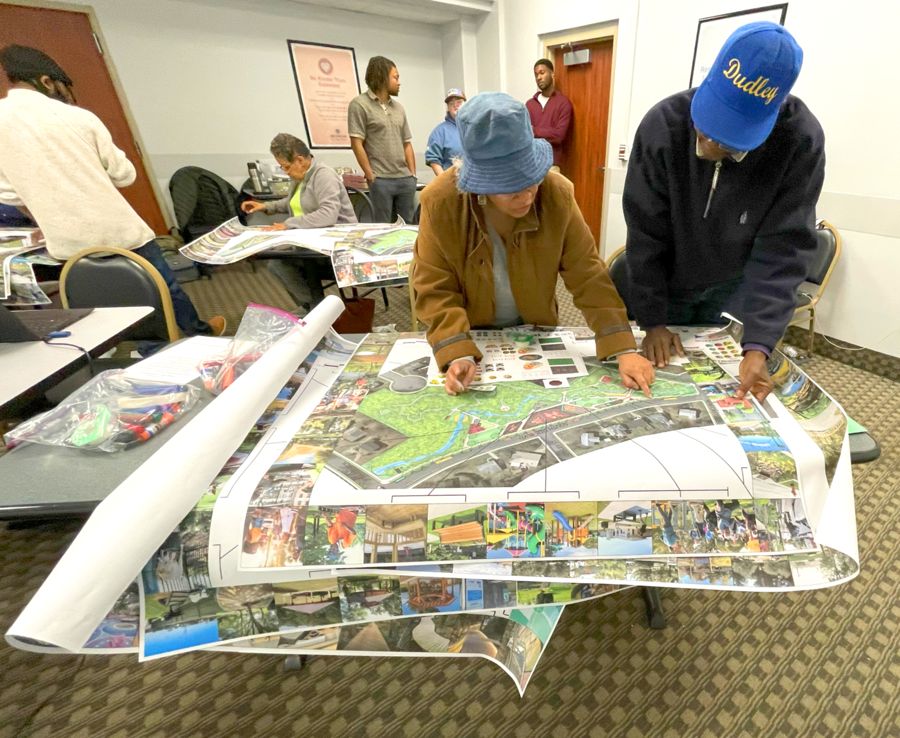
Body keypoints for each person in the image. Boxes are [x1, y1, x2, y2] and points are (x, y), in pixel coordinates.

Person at [622, 22, 824, 402]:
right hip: (669, 280)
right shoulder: (661, 126)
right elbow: (645, 234)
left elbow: (784, 249)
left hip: (733, 285)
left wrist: (759, 343)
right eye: (704, 128)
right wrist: (653, 320)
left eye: (728, 139)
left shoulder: (800, 140)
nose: (708, 143)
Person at [412, 92, 655, 398]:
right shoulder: (440, 202)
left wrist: (622, 346)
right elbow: (434, 286)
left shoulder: (557, 194)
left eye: (531, 179)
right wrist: (456, 349)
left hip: (537, 331)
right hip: (471, 334)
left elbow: (588, 274)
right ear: (479, 184)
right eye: (510, 188)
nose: (526, 195)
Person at [0, 45, 224, 337]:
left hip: (68, 243)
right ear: (45, 81)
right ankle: (199, 334)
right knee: (162, 287)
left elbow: (8, 195)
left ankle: (145, 349)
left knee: (107, 302)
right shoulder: (77, 117)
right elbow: (124, 174)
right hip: (120, 232)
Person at [241, 133, 356, 312]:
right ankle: (312, 306)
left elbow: (328, 214)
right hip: (311, 240)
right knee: (278, 261)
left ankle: (315, 308)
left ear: (300, 160)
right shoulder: (300, 178)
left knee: (283, 262)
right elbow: (291, 203)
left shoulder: (323, 175)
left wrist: (289, 224)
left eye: (286, 167)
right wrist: (265, 206)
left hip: (335, 248)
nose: (286, 172)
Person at [347, 56, 417, 223]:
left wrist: (412, 174)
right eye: (395, 77)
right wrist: (371, 175)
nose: (399, 82)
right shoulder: (359, 105)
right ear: (382, 77)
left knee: (408, 227)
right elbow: (357, 143)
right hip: (381, 180)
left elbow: (407, 143)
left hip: (405, 179)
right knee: (383, 228)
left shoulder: (399, 108)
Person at [525, 58, 573, 170]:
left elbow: (559, 136)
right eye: (536, 74)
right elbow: (524, 133)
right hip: (531, 163)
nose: (538, 77)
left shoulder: (563, 103)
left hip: (552, 165)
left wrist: (534, 130)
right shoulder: (529, 104)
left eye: (542, 73)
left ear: (552, 74)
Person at [424, 88, 465, 176]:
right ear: (448, 108)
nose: (455, 105)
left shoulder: (474, 128)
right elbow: (433, 159)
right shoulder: (439, 132)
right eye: (451, 103)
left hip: (476, 184)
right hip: (453, 184)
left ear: (466, 105)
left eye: (459, 102)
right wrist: (444, 182)